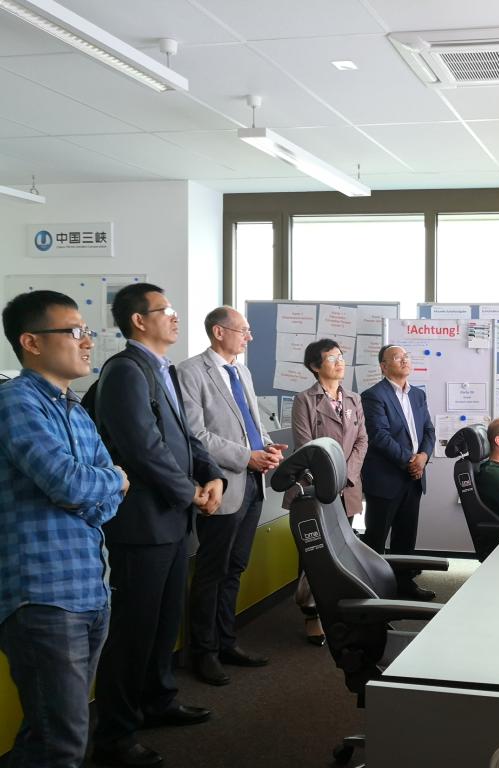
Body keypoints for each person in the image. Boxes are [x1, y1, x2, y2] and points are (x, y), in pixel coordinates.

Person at [91, 283, 226, 768]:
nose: (174, 316)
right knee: (134, 631)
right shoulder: (125, 371)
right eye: (164, 310)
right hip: (142, 526)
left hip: (170, 521)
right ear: (138, 320)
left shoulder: (162, 369)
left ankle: (157, 700)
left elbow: (187, 438)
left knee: (164, 623)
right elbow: (142, 447)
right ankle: (115, 735)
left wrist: (212, 474)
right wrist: (190, 491)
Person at [0, 291, 128, 767]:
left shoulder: (75, 408)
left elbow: (103, 504)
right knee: (62, 744)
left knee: (50, 734)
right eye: (74, 332)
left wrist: (98, 488)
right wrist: (111, 479)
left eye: (87, 331)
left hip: (90, 589)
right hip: (43, 595)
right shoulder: (15, 402)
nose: (88, 341)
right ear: (31, 342)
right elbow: (72, 482)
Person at [177, 307, 284, 684]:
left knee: (235, 567)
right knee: (212, 571)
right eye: (244, 331)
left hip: (253, 484)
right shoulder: (190, 372)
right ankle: (203, 652)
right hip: (221, 484)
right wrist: (245, 456)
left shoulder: (242, 371)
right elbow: (195, 435)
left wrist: (267, 447)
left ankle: (226, 641)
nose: (249, 337)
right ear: (219, 332)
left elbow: (252, 423)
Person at [288, 338, 368, 645]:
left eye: (341, 357)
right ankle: (312, 614)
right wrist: (329, 476)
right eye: (332, 358)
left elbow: (362, 441)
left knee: (344, 550)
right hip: (316, 488)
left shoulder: (353, 399)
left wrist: (345, 473)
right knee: (315, 553)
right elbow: (305, 447)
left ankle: (339, 611)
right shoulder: (304, 400)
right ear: (314, 366)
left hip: (347, 487)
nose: (340, 362)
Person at [360, 344, 435, 600]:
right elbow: (378, 436)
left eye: (406, 356)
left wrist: (423, 457)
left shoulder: (418, 395)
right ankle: (371, 590)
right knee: (376, 537)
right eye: (397, 357)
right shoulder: (373, 395)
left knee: (406, 536)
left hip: (414, 477)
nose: (404, 360)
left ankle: (404, 584)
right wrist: (410, 461)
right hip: (386, 478)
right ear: (383, 366)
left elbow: (429, 431)